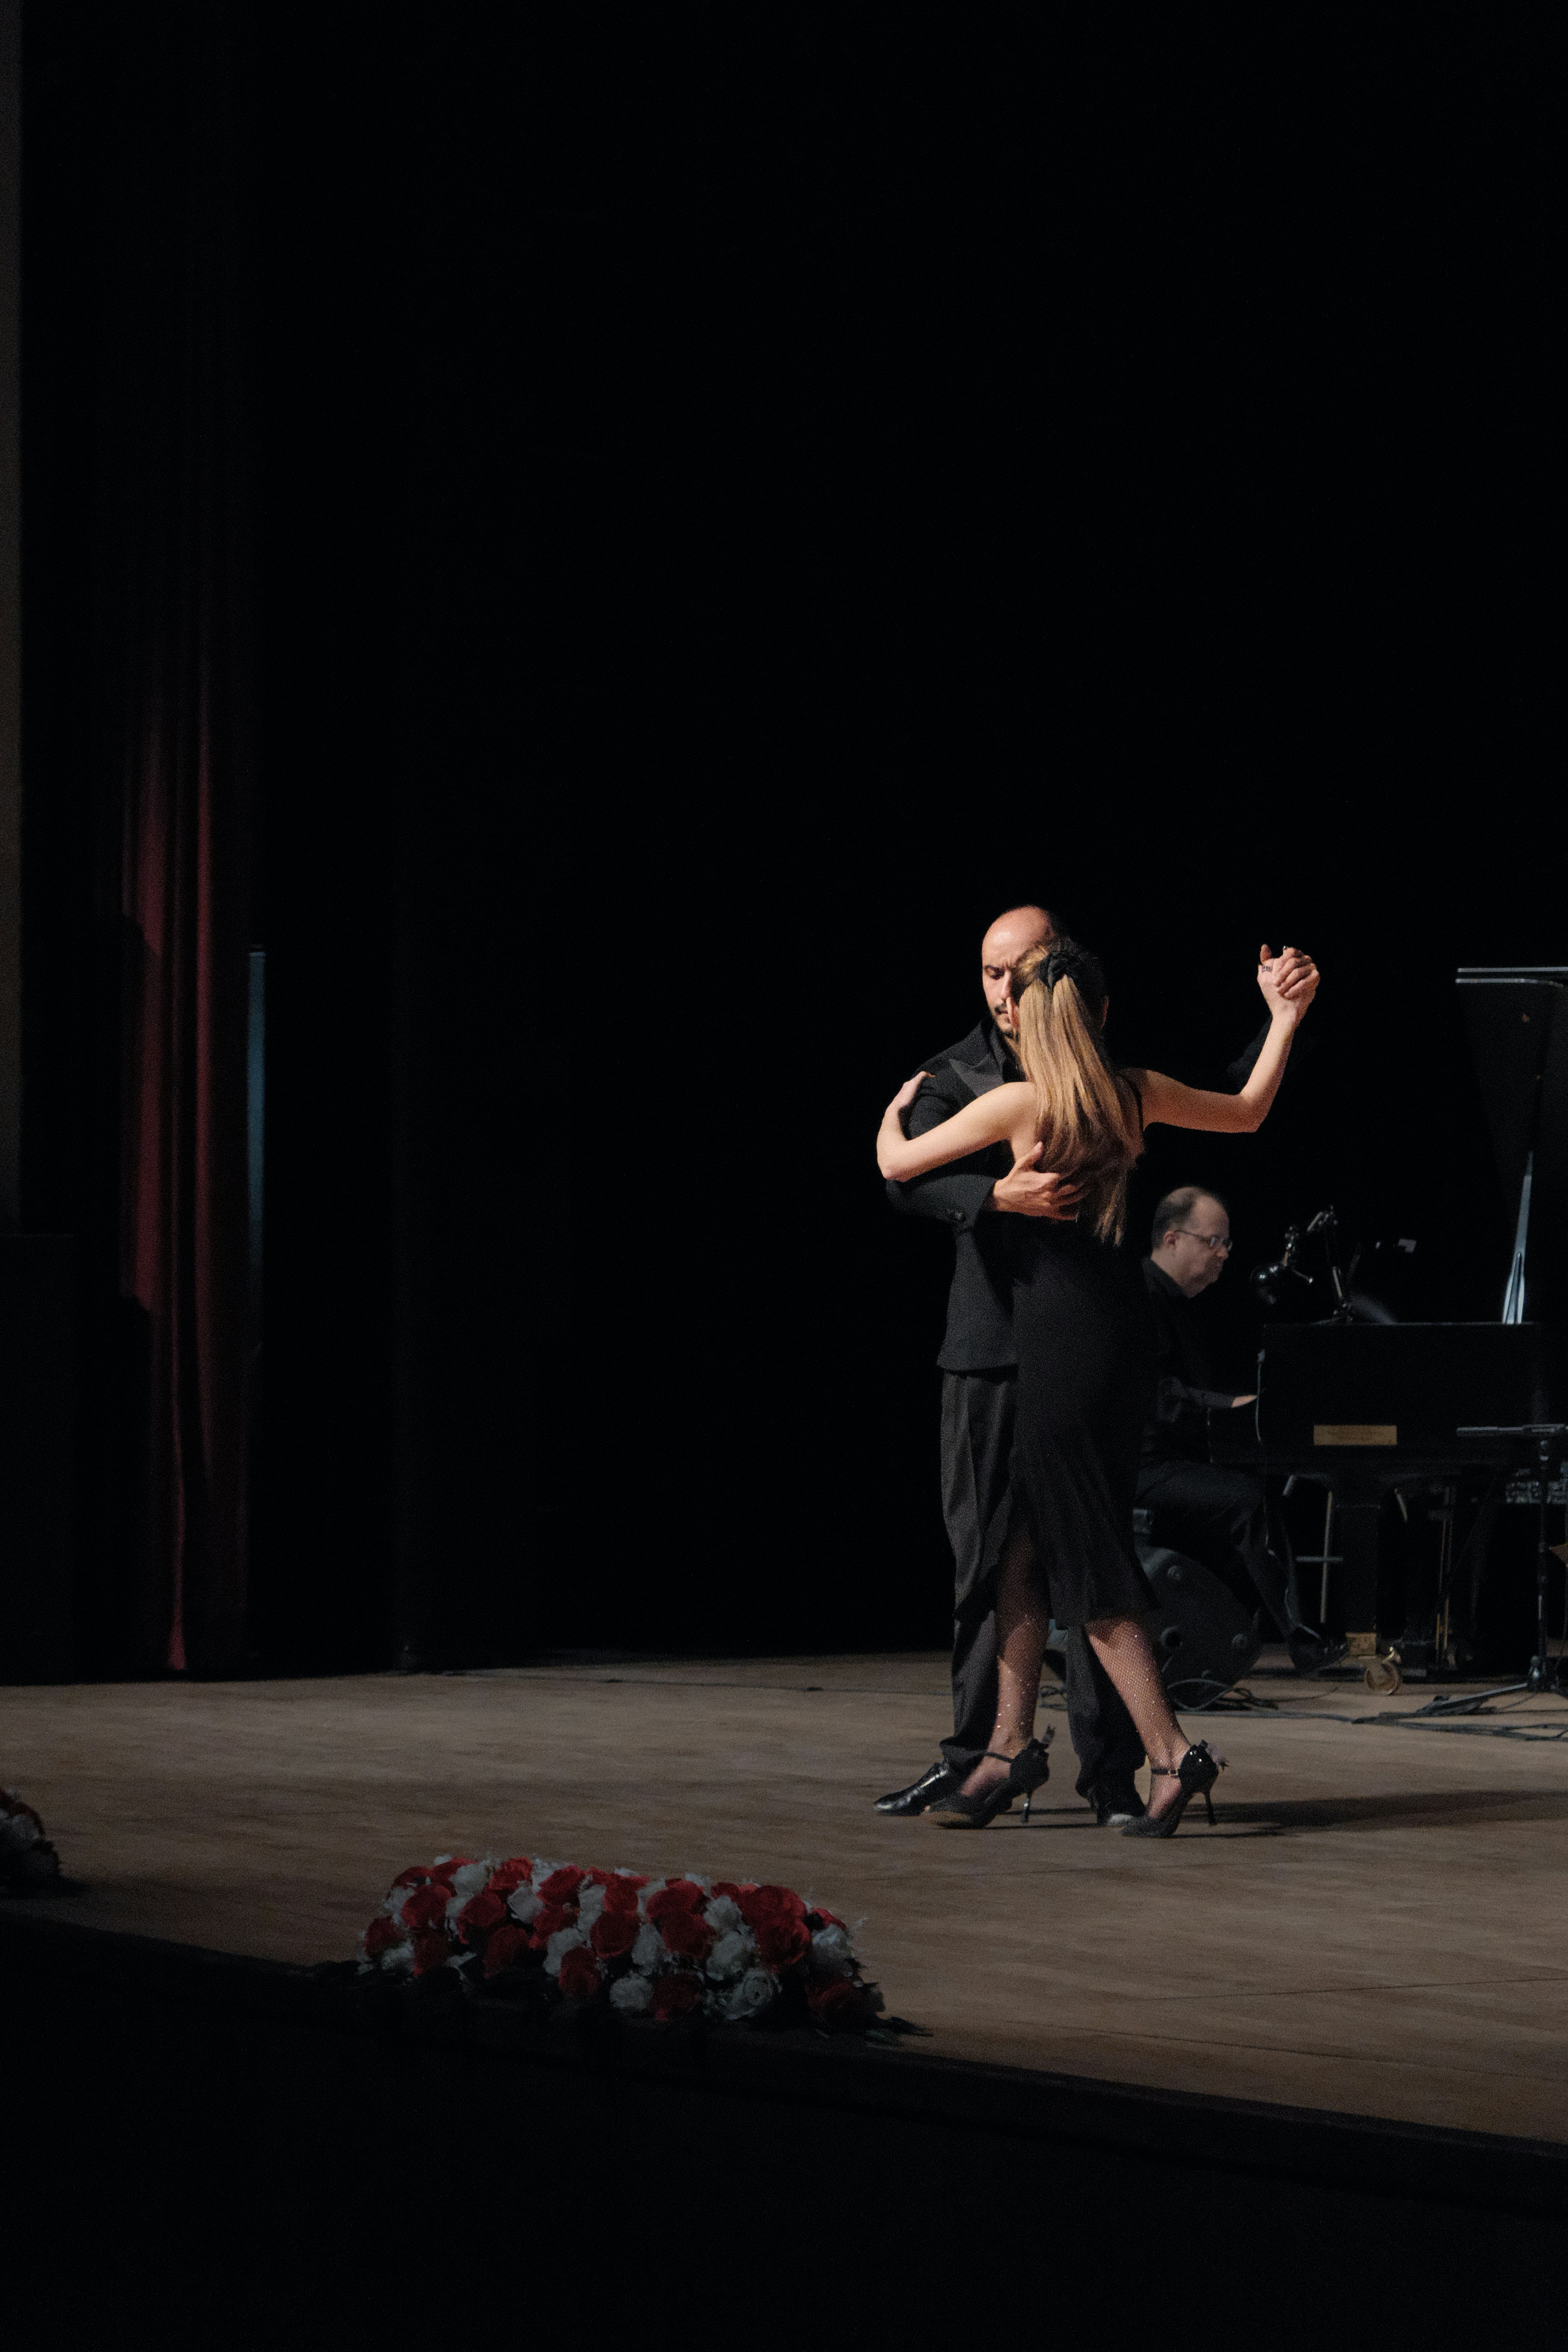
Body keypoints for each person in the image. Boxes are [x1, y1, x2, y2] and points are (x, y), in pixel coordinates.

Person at [876, 903, 1319, 1827]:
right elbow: (1246, 1110)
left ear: (1038, 1015)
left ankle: (1168, 1754)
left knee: (1085, 1560)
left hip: (1055, 1344)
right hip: (1114, 1333)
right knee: (1022, 1550)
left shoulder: (1019, 1101)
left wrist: (889, 1120)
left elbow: (898, 1162)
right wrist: (1281, 1020)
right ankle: (1008, 1748)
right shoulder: (1130, 1090)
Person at [1140, 1187, 1343, 1674]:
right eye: (1213, 1241)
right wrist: (1232, 1405)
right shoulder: (1138, 1298)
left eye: (1225, 1243)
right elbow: (1157, 1397)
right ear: (1172, 1239)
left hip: (1177, 1458)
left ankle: (1229, 1632)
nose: (1224, 1254)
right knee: (1248, 1503)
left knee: (1256, 1496)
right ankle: (1299, 1637)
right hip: (1140, 1463)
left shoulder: (1184, 1305)